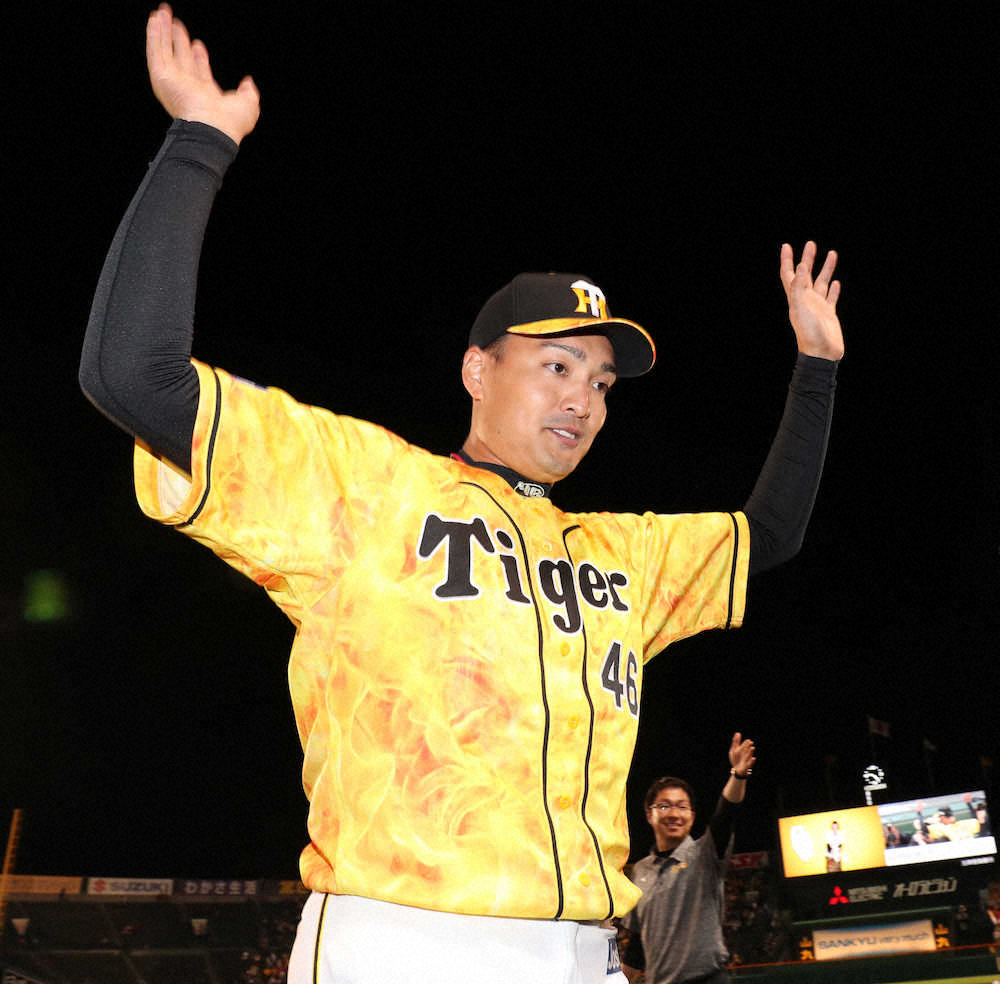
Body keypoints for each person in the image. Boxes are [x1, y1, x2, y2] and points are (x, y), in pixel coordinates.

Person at [78, 6, 844, 982]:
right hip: (408, 941)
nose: (584, 399)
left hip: (589, 951)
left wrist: (815, 367)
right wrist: (197, 144)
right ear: (477, 370)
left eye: (602, 383)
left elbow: (766, 534)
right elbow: (132, 377)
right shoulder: (369, 489)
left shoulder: (617, 557)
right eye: (558, 366)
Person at [620, 734, 756, 984]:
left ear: (692, 816)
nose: (673, 813)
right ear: (649, 815)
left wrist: (738, 775)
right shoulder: (639, 871)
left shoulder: (704, 854)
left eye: (682, 806)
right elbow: (639, 943)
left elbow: (725, 815)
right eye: (664, 806)